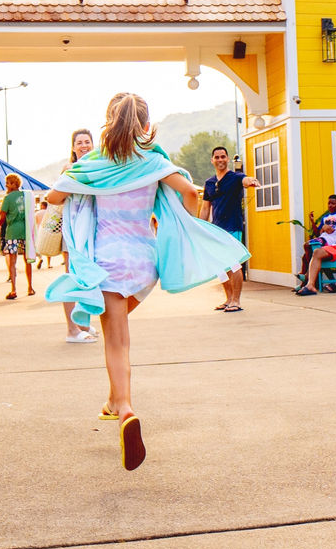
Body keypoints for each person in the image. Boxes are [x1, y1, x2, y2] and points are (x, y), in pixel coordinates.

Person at [44, 93, 248, 471]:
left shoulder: (94, 162)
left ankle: (124, 409)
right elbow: (189, 191)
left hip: (107, 259)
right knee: (116, 330)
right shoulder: (154, 161)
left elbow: (55, 195)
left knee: (116, 340)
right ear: (145, 122)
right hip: (144, 260)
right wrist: (178, 223)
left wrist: (86, 186)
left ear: (109, 120)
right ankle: (111, 400)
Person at [199, 145, 259, 312]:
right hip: (216, 230)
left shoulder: (235, 177)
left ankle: (236, 301)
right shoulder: (209, 183)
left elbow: (245, 180)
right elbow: (205, 209)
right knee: (221, 267)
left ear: (227, 159)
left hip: (233, 226)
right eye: (217, 157)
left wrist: (251, 181)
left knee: (234, 264)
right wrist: (199, 229)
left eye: (223, 157)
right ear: (212, 160)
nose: (220, 160)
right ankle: (228, 299)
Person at [58, 128, 98, 343]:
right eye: (79, 142)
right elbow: (57, 195)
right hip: (73, 229)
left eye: (87, 142)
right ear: (73, 147)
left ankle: (82, 323)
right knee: (73, 277)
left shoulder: (97, 165)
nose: (84, 145)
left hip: (90, 227)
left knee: (86, 276)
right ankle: (71, 330)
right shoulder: (70, 168)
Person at [0, 173, 33, 299]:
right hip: (25, 230)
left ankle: (14, 289)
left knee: (12, 261)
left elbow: (2, 216)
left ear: (13, 184)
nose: (6, 185)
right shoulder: (26, 196)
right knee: (28, 260)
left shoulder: (8, 198)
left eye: (8, 182)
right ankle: (30, 287)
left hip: (12, 231)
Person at [297, 194, 336, 283]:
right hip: (323, 239)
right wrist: (312, 222)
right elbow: (318, 233)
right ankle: (307, 279)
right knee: (304, 257)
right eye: (329, 203)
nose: (330, 205)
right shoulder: (325, 217)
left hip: (331, 240)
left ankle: (306, 276)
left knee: (307, 245)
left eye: (333, 203)